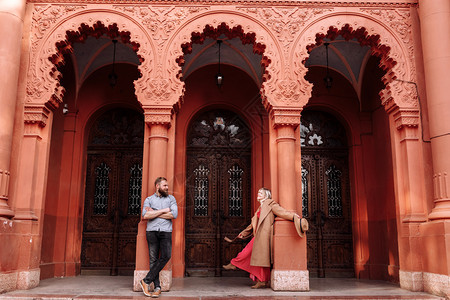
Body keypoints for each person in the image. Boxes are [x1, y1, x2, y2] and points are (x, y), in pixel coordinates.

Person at [223, 187, 303, 289]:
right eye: (258, 192)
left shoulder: (270, 204)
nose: (258, 194)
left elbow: (282, 212)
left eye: (261, 193)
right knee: (261, 259)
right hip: (258, 236)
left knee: (249, 252)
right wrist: (243, 233)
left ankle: (234, 263)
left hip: (264, 236)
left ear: (266, 195)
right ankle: (262, 280)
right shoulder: (260, 207)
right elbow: (253, 224)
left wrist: (293, 216)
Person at [140, 177, 178, 298]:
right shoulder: (149, 199)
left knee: (166, 255)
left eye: (167, 186)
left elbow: (174, 214)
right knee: (153, 259)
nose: (167, 188)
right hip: (151, 231)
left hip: (166, 231)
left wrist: (155, 212)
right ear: (157, 186)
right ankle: (157, 287)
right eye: (164, 186)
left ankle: (146, 281)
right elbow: (145, 215)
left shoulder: (171, 199)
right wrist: (164, 210)